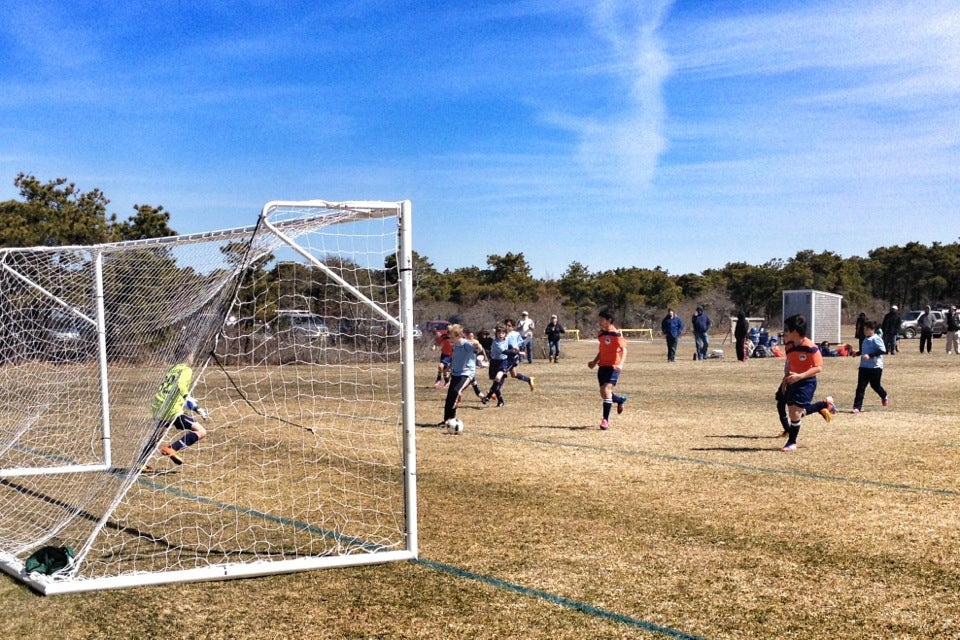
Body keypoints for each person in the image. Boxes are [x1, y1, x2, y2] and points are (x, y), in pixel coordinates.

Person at [778, 314, 836, 451]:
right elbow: (789, 363)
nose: (785, 332)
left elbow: (818, 367)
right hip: (793, 380)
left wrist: (800, 376)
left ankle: (792, 443)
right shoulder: (789, 346)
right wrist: (785, 379)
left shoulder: (811, 347)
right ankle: (823, 404)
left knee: (795, 413)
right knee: (793, 411)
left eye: (788, 329)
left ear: (796, 332)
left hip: (807, 382)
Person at [149, 349, 210, 466]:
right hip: (172, 411)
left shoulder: (173, 369)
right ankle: (172, 448)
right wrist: (195, 406)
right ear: (188, 356)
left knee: (157, 437)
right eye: (192, 355)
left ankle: (140, 463)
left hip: (159, 407)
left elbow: (174, 391)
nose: (193, 357)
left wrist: (187, 402)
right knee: (201, 431)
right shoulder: (186, 370)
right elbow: (181, 386)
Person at [587, 309, 627, 431]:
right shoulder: (601, 334)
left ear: (609, 320)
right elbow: (602, 350)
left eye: (602, 320)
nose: (599, 322)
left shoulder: (617, 334)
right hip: (602, 366)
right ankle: (620, 400)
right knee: (604, 394)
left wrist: (620, 364)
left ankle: (605, 420)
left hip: (613, 366)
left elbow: (624, 350)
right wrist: (594, 362)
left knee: (606, 390)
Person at [440, 324, 479, 425]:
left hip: (466, 374)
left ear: (459, 336)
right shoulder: (456, 346)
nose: (451, 340)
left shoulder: (466, 344)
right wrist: (449, 367)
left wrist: (477, 345)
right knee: (450, 396)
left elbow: (476, 349)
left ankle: (451, 420)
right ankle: (447, 420)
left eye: (452, 337)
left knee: (456, 392)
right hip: (456, 373)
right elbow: (456, 358)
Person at [852, 320, 889, 414]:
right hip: (864, 366)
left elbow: (883, 350)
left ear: (872, 330)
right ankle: (857, 407)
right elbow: (864, 351)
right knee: (861, 387)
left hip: (875, 367)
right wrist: (857, 353)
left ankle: (884, 395)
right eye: (864, 329)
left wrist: (870, 355)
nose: (864, 330)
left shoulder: (876, 338)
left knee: (875, 385)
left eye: (866, 329)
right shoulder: (865, 339)